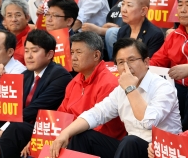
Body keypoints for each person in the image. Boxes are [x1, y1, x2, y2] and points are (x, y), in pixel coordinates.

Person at [50, 38, 182, 158]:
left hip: (160, 151)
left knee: (130, 141)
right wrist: (65, 133)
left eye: (131, 60)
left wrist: (130, 89)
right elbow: (97, 113)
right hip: (131, 149)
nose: (126, 67)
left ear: (146, 62)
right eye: (120, 62)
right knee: (83, 136)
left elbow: (148, 122)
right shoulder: (121, 89)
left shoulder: (163, 87)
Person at [20, 31, 127, 158]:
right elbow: (60, 117)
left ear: (96, 55)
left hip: (97, 143)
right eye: (72, 52)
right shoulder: (74, 82)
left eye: (79, 52)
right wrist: (38, 140)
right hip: (71, 137)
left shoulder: (109, 83)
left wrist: (64, 138)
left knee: (81, 136)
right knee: (29, 149)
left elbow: (101, 128)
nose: (73, 57)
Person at [0, 29, 72, 158]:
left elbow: (35, 109)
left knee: (16, 128)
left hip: (43, 129)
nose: (29, 56)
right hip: (21, 125)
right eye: (26, 51)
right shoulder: (26, 74)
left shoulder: (60, 76)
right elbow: (9, 104)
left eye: (34, 51)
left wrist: (2, 131)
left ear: (49, 54)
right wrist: (0, 75)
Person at [150, 0, 188, 131]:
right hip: (176, 89)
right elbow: (157, 61)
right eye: (180, 5)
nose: (183, 10)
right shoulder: (174, 35)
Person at [1, 0, 31, 64]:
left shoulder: (34, 39)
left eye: (18, 15)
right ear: (4, 20)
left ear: (27, 18)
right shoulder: (0, 40)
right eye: (9, 15)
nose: (13, 19)